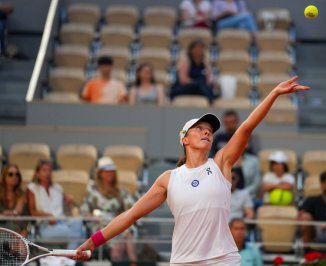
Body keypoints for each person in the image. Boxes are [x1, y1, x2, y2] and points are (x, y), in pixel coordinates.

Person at [75, 76, 309, 265]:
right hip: (184, 261)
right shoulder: (169, 179)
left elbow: (246, 127)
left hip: (223, 260)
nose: (207, 132)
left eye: (209, 130)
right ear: (184, 139)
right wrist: (93, 242)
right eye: (199, 129)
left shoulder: (221, 164)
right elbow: (130, 215)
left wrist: (274, 94)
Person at [80, 157, 137, 262]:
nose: (110, 173)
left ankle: (132, 261)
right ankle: (132, 261)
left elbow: (133, 208)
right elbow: (84, 211)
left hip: (117, 223)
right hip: (99, 224)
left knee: (126, 233)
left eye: (112, 171)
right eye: (107, 171)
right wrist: (94, 217)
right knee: (122, 237)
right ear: (100, 173)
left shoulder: (121, 191)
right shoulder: (91, 190)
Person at [27, 160, 85, 250]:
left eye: (49, 170)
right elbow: (32, 212)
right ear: (37, 173)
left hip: (62, 222)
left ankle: (69, 258)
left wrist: (71, 200)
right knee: (79, 234)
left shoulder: (57, 188)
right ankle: (70, 259)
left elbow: (72, 204)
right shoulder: (32, 188)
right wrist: (47, 216)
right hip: (45, 226)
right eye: (44, 170)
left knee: (78, 222)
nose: (47, 173)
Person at [211, 110, 260, 196]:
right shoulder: (219, 137)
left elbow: (252, 154)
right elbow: (212, 155)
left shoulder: (243, 135)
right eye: (227, 122)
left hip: (243, 168)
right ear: (224, 123)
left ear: (237, 121)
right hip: (223, 169)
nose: (230, 124)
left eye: (232, 122)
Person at [170, 39, 215, 103]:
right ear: (192, 50)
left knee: (205, 87)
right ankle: (211, 100)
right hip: (185, 88)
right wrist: (196, 83)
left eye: (202, 48)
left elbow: (209, 80)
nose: (200, 50)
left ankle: (212, 101)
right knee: (199, 85)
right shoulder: (186, 61)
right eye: (198, 48)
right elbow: (183, 79)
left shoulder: (205, 63)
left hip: (199, 89)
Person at [0, 164, 27, 235]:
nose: (14, 177)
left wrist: (4, 214)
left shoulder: (21, 193)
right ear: (4, 177)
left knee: (20, 231)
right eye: (10, 174)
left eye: (17, 174)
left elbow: (17, 212)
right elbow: (14, 213)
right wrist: (11, 214)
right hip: (1, 225)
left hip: (15, 225)